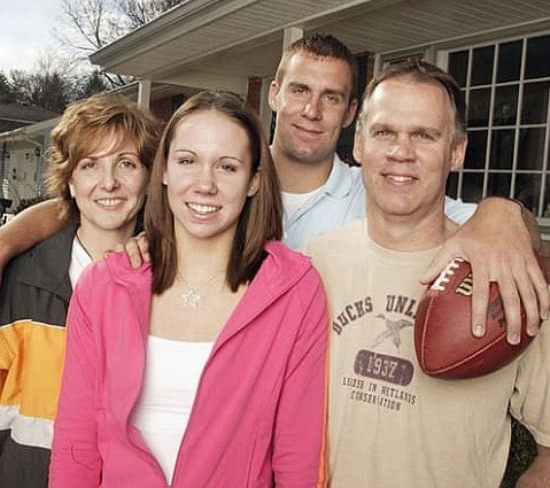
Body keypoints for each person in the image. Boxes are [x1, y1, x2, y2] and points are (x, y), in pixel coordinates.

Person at [0, 35, 547, 340]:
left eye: (332, 97)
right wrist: (10, 237)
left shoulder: (378, 194)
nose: (312, 110)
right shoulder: (199, 201)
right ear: (276, 93)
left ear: (351, 116)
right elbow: (100, 202)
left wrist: (501, 213)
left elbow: (469, 220)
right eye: (301, 90)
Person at [48, 91, 329, 487]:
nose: (205, 184)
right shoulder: (103, 287)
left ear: (253, 182)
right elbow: (76, 446)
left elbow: (297, 459)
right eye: (187, 161)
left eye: (227, 167)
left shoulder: (294, 292)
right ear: (163, 170)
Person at [301, 59, 550, 487]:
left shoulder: (506, 276)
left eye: (424, 135)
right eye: (384, 132)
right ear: (358, 144)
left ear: (456, 152)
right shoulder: (315, 262)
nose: (401, 152)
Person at [0, 93, 160, 488]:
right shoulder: (19, 281)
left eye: (126, 163)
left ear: (148, 177)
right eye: (90, 165)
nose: (109, 182)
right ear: (69, 182)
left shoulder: (172, 284)